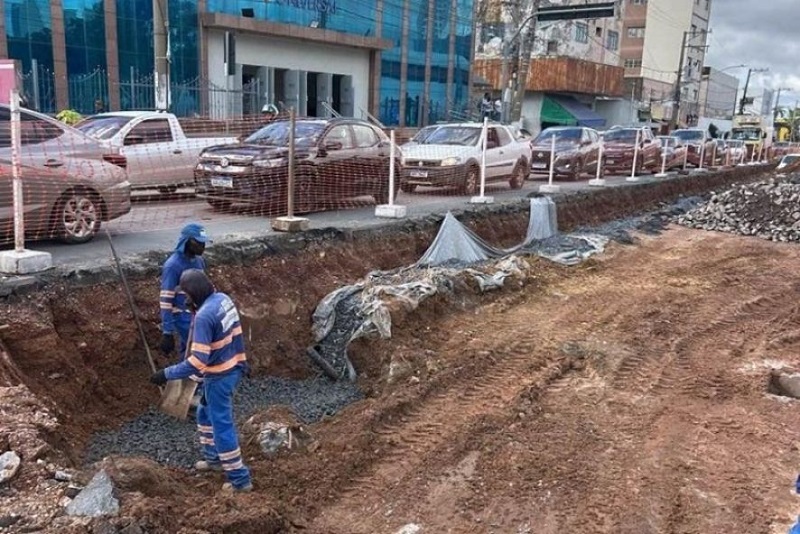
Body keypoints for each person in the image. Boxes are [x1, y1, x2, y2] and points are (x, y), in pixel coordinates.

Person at [150, 269, 253, 493]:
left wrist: (166, 374)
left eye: (186, 295)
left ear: (194, 293)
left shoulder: (205, 316)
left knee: (221, 426)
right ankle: (214, 459)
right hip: (230, 365)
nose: (185, 299)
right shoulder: (222, 299)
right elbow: (235, 335)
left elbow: (197, 361)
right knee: (203, 413)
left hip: (219, 375)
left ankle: (240, 480)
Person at [160, 223, 208, 362]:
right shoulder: (173, 266)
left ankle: (185, 370)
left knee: (188, 351)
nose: (203, 247)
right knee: (197, 350)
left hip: (197, 313)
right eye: (199, 243)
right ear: (187, 242)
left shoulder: (199, 262)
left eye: (204, 243)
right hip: (182, 316)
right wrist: (167, 331)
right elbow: (165, 299)